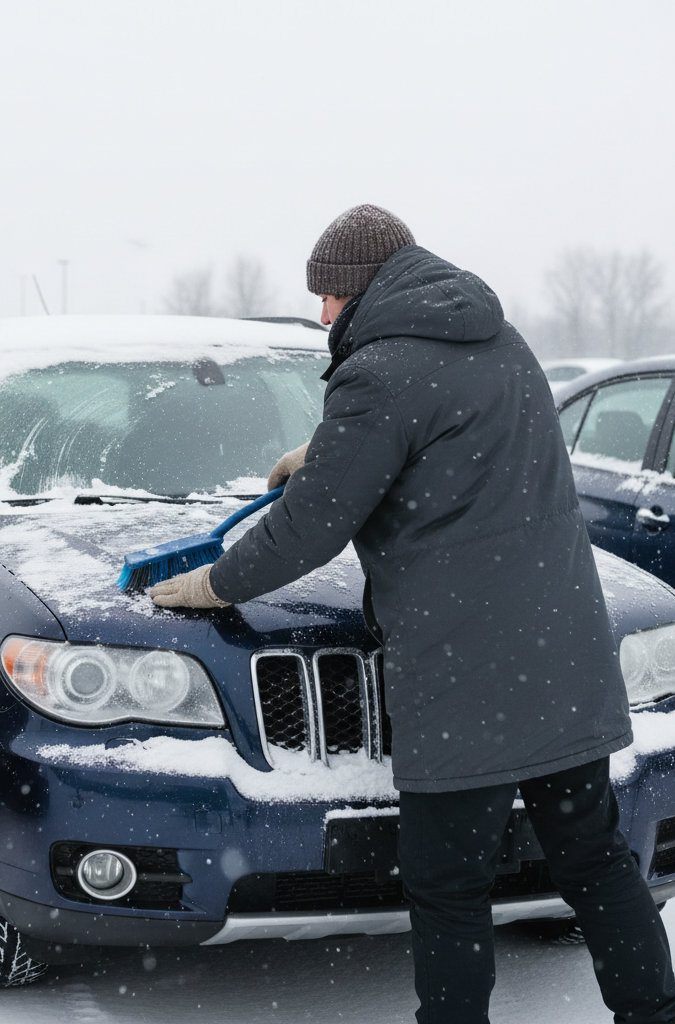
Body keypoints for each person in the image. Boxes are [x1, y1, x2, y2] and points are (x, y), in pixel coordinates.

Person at [150, 204, 675, 1024]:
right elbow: (446, 442)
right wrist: (331, 443)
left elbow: (309, 527)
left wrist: (217, 584)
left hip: (466, 678)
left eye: (327, 296)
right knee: (594, 858)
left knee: (446, 883)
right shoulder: (504, 346)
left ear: (360, 289)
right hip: (564, 656)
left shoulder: (377, 370)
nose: (321, 314)